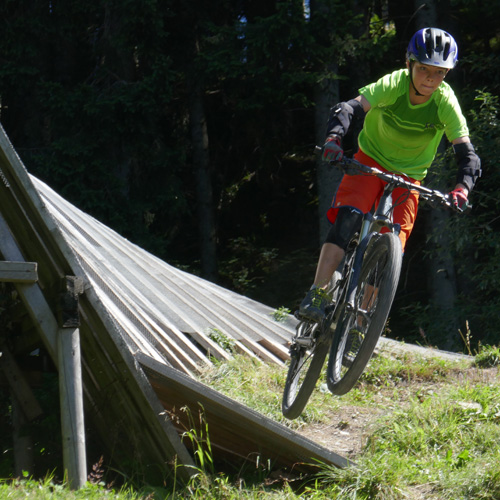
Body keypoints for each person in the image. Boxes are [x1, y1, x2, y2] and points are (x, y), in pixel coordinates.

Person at [299, 27, 481, 324]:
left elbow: (468, 154)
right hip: (369, 161)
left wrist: (462, 189)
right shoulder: (394, 84)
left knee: (391, 246)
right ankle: (317, 293)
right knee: (347, 219)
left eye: (440, 73)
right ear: (409, 64)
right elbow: (350, 108)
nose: (431, 79)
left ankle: (359, 327)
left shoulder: (445, 101)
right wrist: (334, 139)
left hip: (410, 176)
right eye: (424, 69)